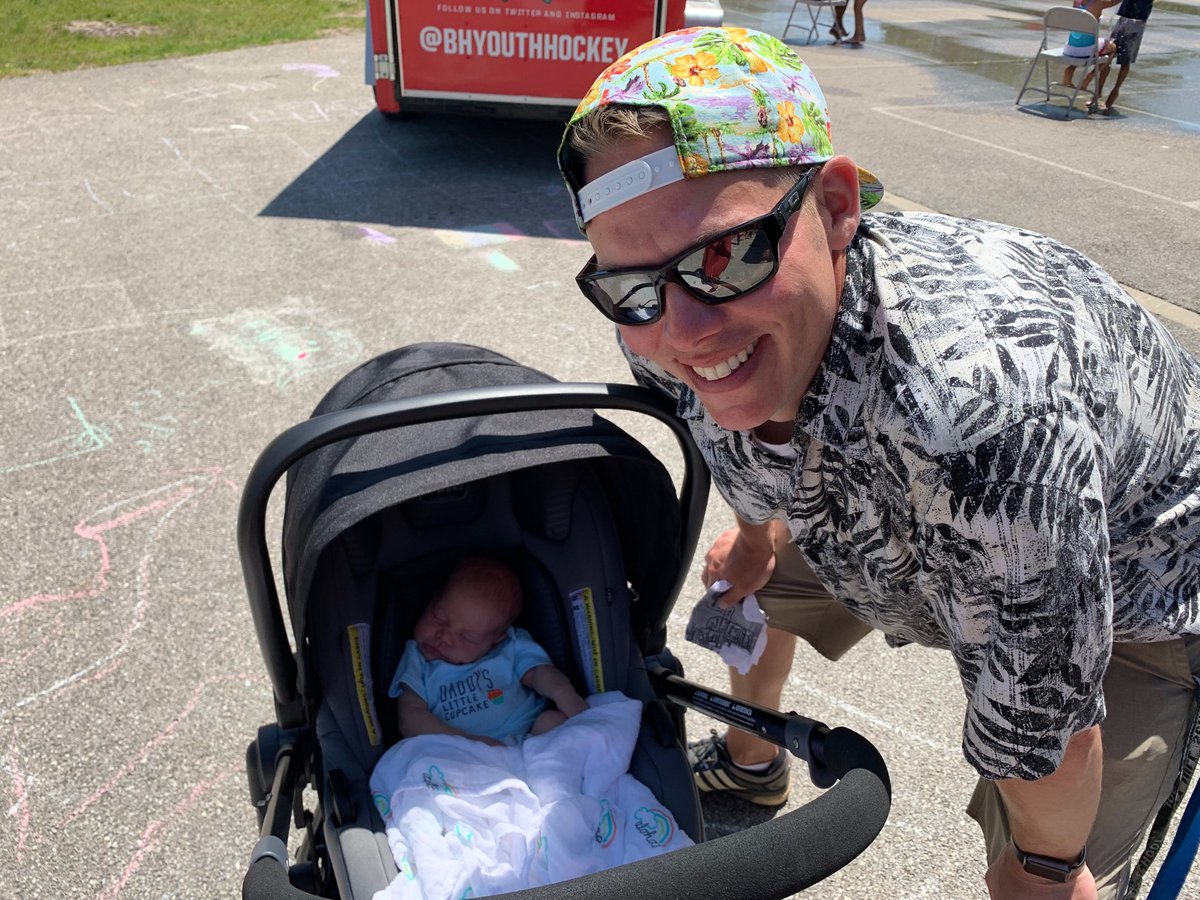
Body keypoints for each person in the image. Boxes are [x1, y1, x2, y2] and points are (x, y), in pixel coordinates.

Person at [556, 25, 1200, 900]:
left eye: (723, 254)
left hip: (1137, 582)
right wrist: (756, 540)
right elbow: (729, 434)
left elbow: (1043, 720)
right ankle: (754, 758)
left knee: (1044, 858)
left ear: (835, 207)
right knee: (748, 590)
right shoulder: (661, 323)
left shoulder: (984, 410)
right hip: (883, 491)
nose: (684, 330)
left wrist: (1048, 866)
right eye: (632, 286)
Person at [389, 556, 589, 746]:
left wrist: (565, 695)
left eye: (467, 638)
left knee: (552, 722)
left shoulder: (510, 645)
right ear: (430, 602)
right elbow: (410, 717)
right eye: (438, 618)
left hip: (527, 740)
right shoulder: (417, 659)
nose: (444, 637)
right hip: (457, 752)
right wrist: (468, 743)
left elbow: (539, 673)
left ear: (494, 642)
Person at [1082, 0, 1156, 114]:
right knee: (1108, 55)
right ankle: (1098, 91)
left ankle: (1114, 91)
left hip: (1138, 22)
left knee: (1125, 61)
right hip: (1122, 19)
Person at [1061, 0, 1120, 92]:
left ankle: (1070, 70)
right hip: (1088, 50)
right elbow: (1114, 2)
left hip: (1070, 48)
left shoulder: (1076, 2)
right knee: (1113, 47)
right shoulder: (1099, 3)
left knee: (1081, 38)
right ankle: (1091, 76)